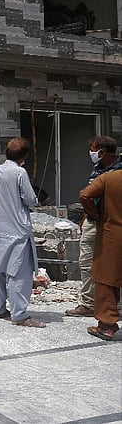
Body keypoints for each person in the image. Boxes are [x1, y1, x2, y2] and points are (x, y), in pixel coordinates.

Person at [0, 137, 44, 328]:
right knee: (19, 273)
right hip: (18, 231)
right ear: (24, 156)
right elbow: (30, 199)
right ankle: (19, 315)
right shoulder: (19, 172)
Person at [66, 136, 122, 317]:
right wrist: (87, 217)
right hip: (93, 222)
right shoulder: (96, 170)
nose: (91, 153)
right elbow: (88, 197)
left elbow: (86, 195)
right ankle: (88, 303)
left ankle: (115, 307)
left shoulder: (118, 171)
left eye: (93, 149)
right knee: (87, 261)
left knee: (115, 264)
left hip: (113, 223)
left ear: (102, 152)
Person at [79, 168, 122, 341]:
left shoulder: (109, 178)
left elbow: (85, 195)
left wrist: (96, 215)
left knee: (106, 278)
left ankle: (106, 325)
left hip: (112, 233)